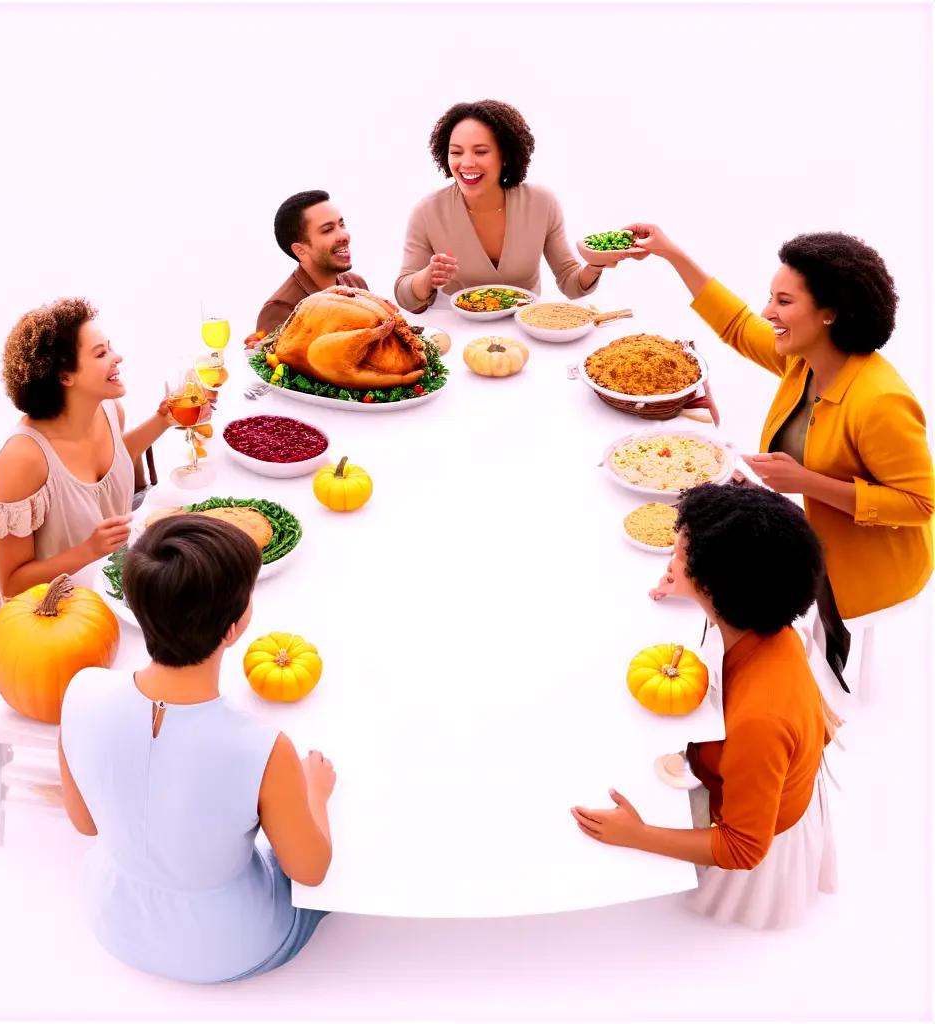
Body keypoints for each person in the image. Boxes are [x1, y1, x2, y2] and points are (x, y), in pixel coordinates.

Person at [636, 225, 933, 676]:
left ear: (830, 313)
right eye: (771, 297)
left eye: (784, 302)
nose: (767, 312)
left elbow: (921, 504)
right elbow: (737, 324)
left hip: (868, 563)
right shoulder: (803, 359)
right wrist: (672, 254)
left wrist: (805, 482)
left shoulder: (881, 402)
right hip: (806, 532)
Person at [59, 514, 335, 983]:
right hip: (228, 946)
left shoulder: (81, 690)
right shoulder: (264, 748)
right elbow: (310, 871)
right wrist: (316, 794)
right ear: (233, 628)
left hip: (115, 920)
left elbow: (86, 823)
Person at [572, 483, 836, 930]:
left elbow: (743, 849)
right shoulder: (766, 621)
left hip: (757, 831)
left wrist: (637, 836)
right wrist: (691, 591)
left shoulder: (760, 721)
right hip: (756, 776)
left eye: (679, 557)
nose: (669, 562)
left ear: (720, 589)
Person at [0, 298, 197, 598]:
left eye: (110, 347)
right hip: (62, 610)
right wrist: (88, 550)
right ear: (65, 376)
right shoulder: (23, 459)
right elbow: (12, 584)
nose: (117, 358)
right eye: (101, 353)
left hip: (118, 584)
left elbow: (116, 457)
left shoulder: (109, 410)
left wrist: (162, 420)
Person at [393, 99, 641, 313]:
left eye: (481, 151)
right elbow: (405, 297)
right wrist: (426, 278)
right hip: (457, 333)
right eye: (456, 152)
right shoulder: (427, 211)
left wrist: (596, 263)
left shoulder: (541, 203)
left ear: (506, 155)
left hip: (525, 329)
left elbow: (571, 283)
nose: (466, 163)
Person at [252, 190, 368, 337]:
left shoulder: (356, 284)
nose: (344, 236)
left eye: (341, 224)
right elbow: (273, 359)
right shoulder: (280, 309)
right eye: (327, 230)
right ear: (300, 250)